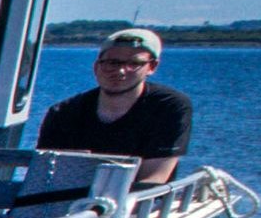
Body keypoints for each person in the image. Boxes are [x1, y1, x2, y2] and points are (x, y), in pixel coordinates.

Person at [36, 27, 189, 186]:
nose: (121, 71)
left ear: (152, 67)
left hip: (141, 205)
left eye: (134, 63)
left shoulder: (169, 107)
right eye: (112, 63)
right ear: (96, 67)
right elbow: (45, 174)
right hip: (71, 203)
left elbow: (153, 179)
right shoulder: (63, 113)